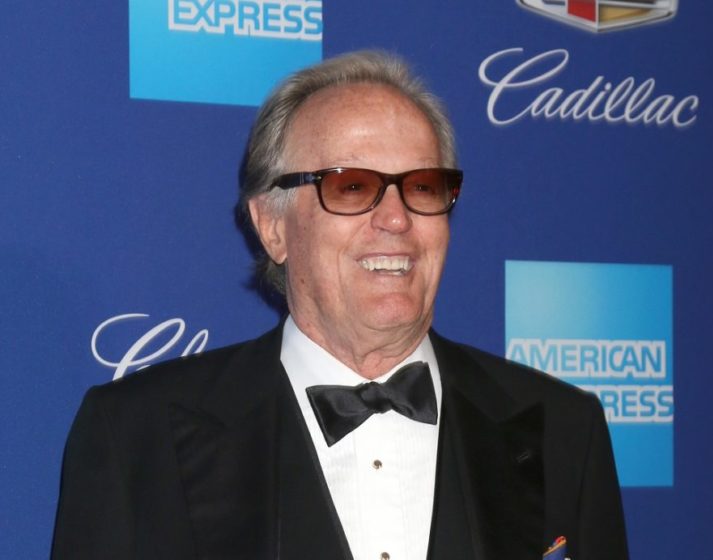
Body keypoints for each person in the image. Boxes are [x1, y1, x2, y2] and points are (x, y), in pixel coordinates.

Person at [52, 51, 629, 560]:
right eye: (351, 186)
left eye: (422, 186)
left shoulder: (562, 429)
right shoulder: (135, 437)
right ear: (272, 225)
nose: (396, 218)